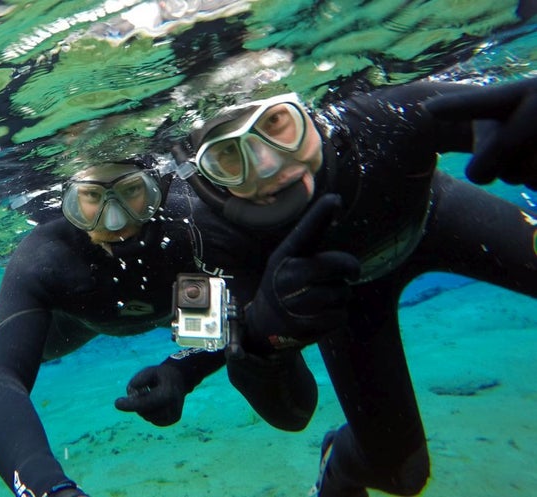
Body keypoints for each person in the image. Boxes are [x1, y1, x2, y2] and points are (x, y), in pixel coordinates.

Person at [122, 77, 537, 497]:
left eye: (278, 123)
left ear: (310, 113)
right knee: (400, 474)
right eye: (228, 156)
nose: (267, 166)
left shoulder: (377, 120)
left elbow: (496, 110)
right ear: (204, 177)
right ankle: (336, 462)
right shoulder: (201, 231)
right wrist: (256, 344)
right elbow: (286, 410)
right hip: (344, 303)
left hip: (434, 216)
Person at [0, 153, 360, 497]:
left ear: (157, 187)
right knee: (1, 372)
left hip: (178, 300)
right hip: (72, 320)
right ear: (66, 200)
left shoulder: (190, 230)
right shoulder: (46, 256)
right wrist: (50, 490)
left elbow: (226, 321)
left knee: (291, 410)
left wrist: (182, 370)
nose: (113, 221)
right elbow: (1, 381)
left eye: (131, 193)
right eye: (91, 198)